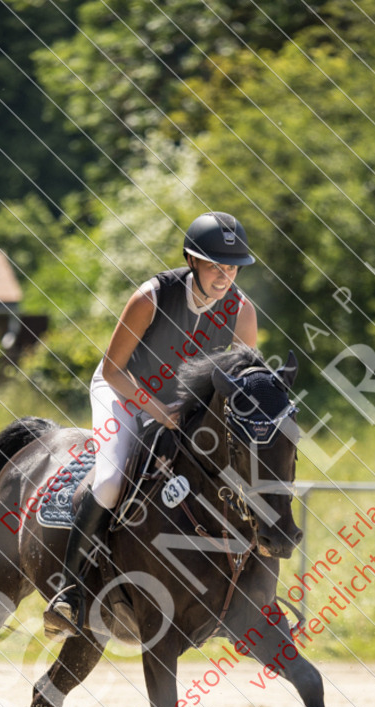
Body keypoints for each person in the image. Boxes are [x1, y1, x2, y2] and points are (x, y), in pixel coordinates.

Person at [43, 211, 258, 640]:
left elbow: (242, 383)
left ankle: (246, 597)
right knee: (108, 482)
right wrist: (157, 411)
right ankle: (68, 592)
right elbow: (113, 368)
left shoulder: (241, 311)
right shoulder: (152, 297)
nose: (224, 276)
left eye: (232, 267)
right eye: (216, 265)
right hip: (125, 390)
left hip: (185, 407)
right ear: (192, 260)